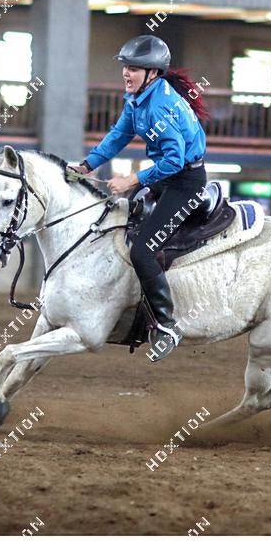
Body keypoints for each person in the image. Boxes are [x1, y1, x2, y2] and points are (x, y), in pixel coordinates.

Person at [67, 35, 209, 362]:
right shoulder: (138, 98)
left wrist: (132, 179)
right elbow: (119, 134)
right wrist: (87, 165)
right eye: (126, 67)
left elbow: (174, 161)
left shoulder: (159, 106)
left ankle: (166, 325)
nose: (126, 73)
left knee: (142, 251)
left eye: (133, 68)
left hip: (184, 183)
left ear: (152, 73)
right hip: (167, 178)